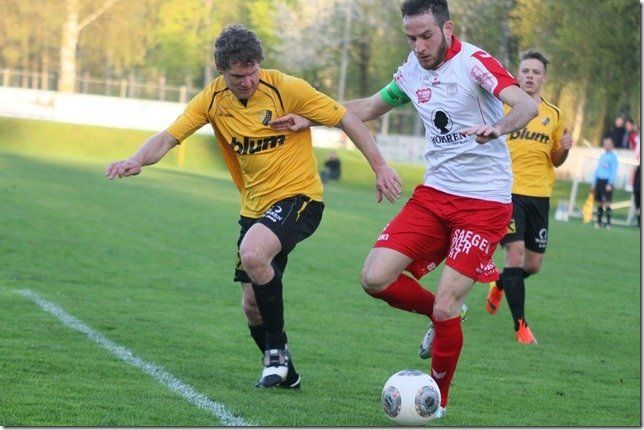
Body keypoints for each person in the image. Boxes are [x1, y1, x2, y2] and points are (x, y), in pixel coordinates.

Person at [269, 0, 538, 417]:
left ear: (447, 28)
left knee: (448, 305)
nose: (419, 46)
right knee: (374, 278)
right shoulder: (412, 71)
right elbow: (370, 107)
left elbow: (526, 106)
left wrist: (497, 127)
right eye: (411, 38)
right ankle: (440, 318)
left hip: (484, 204)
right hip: (434, 196)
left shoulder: (474, 63)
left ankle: (436, 402)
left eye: (426, 36)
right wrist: (310, 116)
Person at [105, 24, 402, 389]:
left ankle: (276, 351)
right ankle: (287, 374)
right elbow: (168, 137)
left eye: (252, 72)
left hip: (300, 198)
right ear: (221, 71)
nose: (247, 81)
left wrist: (379, 166)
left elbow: (345, 116)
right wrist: (136, 159)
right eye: (237, 76)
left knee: (253, 253)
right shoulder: (212, 100)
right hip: (254, 208)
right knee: (251, 305)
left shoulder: (286, 88)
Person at [484, 49, 574, 344]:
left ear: (544, 78)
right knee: (514, 253)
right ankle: (521, 326)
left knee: (532, 265)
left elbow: (555, 160)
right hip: (507, 193)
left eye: (536, 72)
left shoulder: (554, 114)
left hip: (539, 196)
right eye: (525, 71)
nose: (530, 76)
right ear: (517, 74)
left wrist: (565, 149)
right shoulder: (501, 108)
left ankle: (501, 283)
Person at [592, 137, 618, 229]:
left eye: (608, 144)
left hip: (607, 182)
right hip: (599, 181)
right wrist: (594, 183)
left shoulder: (613, 157)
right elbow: (598, 169)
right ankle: (598, 222)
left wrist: (610, 183)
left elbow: (613, 171)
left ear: (612, 146)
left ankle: (608, 223)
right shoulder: (602, 156)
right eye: (605, 144)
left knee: (607, 202)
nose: (606, 146)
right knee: (599, 202)